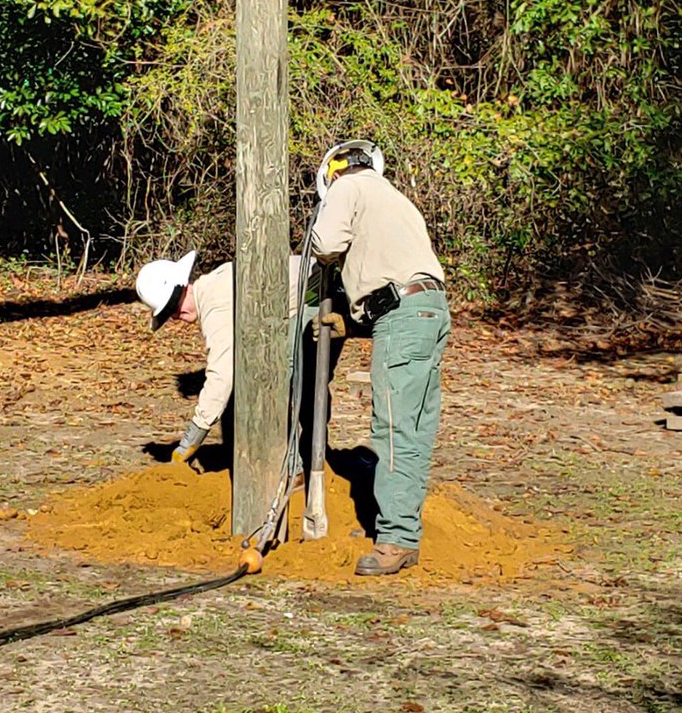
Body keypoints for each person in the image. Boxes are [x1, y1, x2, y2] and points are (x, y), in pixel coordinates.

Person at [311, 139, 450, 577]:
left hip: (404, 320)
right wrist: (352, 324)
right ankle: (400, 529)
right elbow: (394, 284)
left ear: (332, 173)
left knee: (391, 428)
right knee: (415, 429)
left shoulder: (346, 188)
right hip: (429, 312)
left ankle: (395, 540)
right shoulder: (395, 200)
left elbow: (325, 243)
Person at [135, 251, 328, 466]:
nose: (174, 316)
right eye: (167, 314)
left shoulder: (215, 303)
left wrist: (191, 439)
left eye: (173, 306)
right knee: (289, 374)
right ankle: (308, 460)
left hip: (319, 293)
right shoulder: (214, 284)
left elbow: (222, 374)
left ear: (185, 287)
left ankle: (292, 466)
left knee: (273, 376)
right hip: (313, 293)